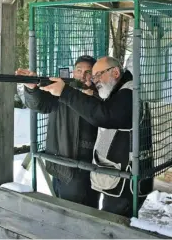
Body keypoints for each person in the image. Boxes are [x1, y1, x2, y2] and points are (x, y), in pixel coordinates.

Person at [39, 56, 154, 218]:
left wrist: (66, 92)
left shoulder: (128, 94)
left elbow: (104, 116)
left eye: (98, 75)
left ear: (115, 72)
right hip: (122, 178)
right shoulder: (123, 90)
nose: (95, 80)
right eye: (94, 77)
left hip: (125, 181)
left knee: (113, 224)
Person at [16, 55, 100, 208]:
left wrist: (91, 96)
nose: (82, 75)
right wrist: (31, 88)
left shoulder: (100, 96)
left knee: (81, 210)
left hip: (84, 165)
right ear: (73, 73)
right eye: (79, 70)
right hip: (59, 161)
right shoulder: (61, 91)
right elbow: (39, 104)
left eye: (88, 72)